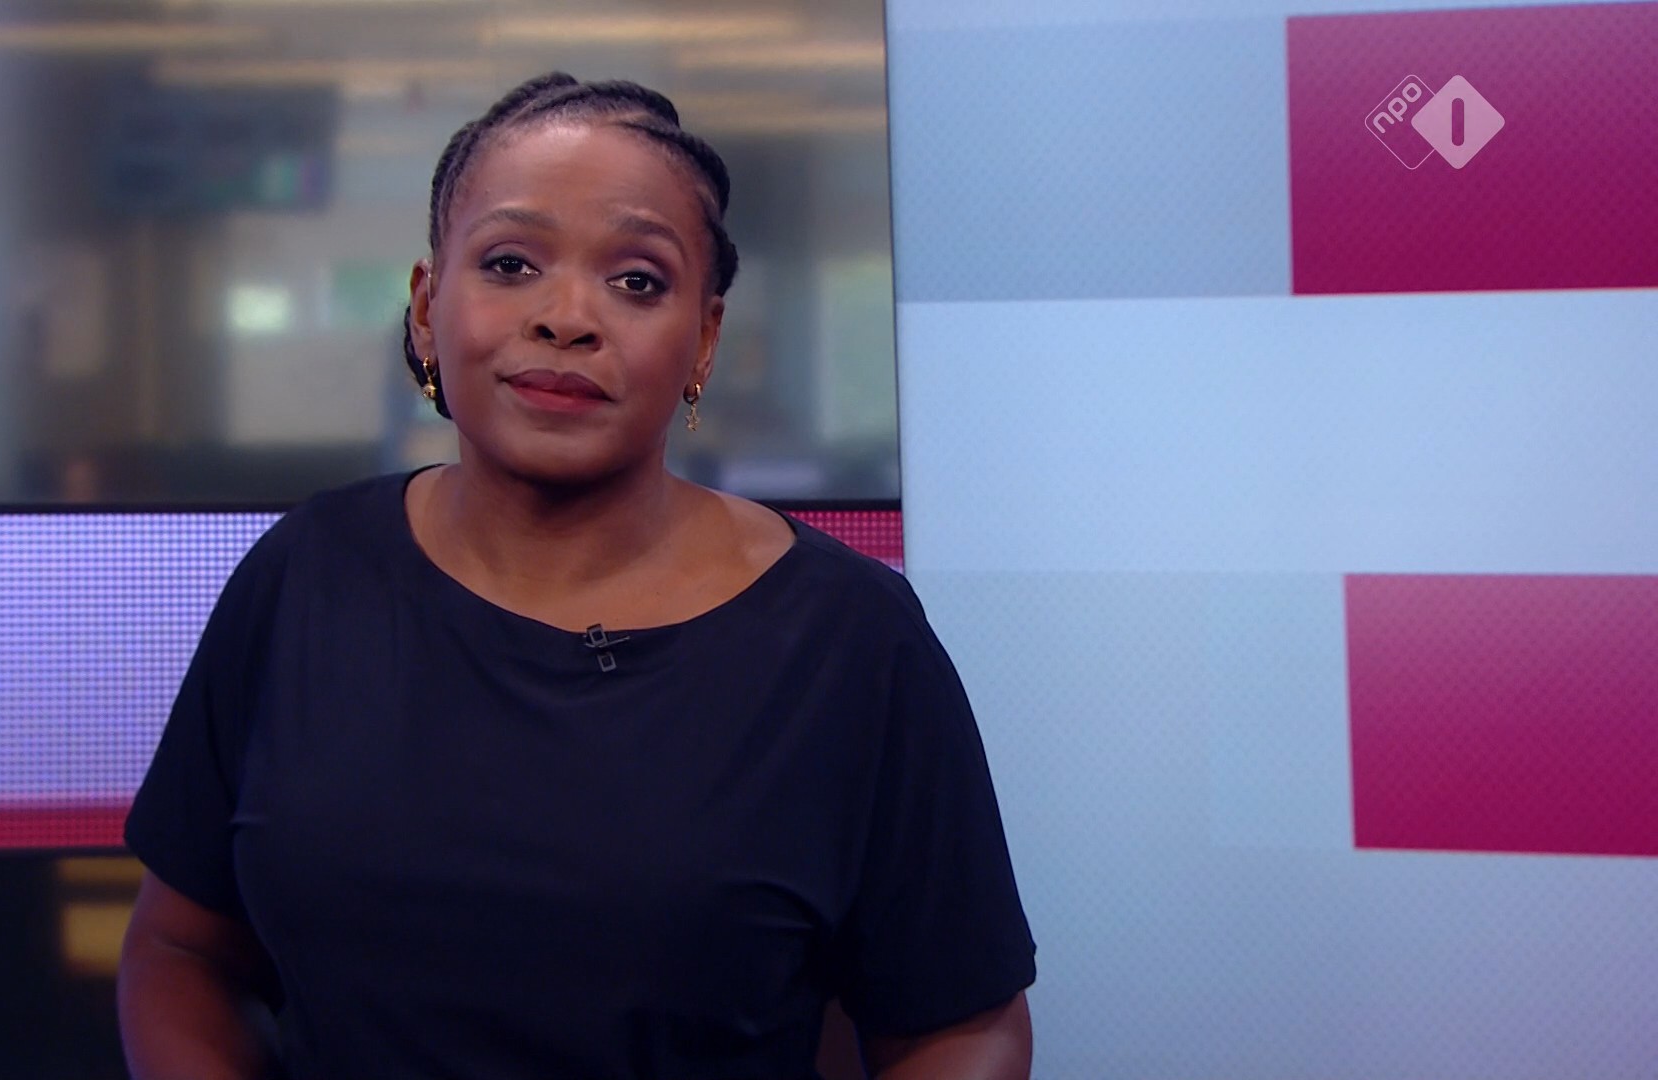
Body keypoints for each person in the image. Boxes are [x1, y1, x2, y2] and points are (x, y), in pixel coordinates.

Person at [118, 72, 1036, 1080]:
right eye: (510, 263)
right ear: (425, 309)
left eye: (637, 281)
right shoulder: (305, 573)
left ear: (705, 340)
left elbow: (963, 1030)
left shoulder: (851, 636)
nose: (566, 318)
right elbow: (181, 952)